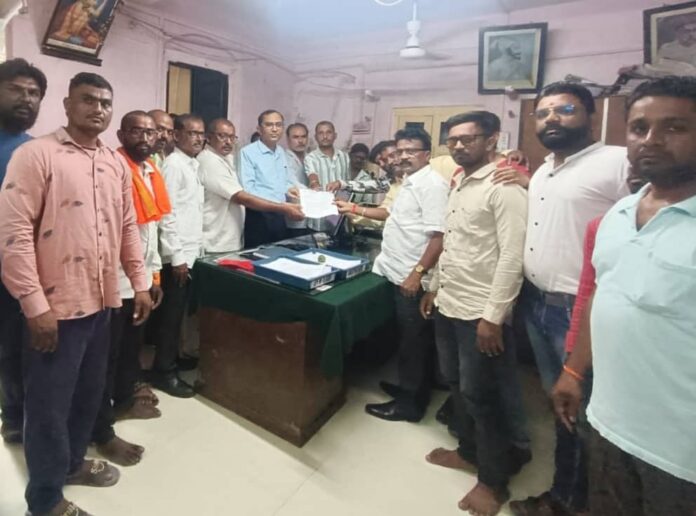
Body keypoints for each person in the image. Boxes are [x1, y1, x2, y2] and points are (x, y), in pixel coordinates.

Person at [0, 72, 151, 516]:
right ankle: (45, 501)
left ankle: (69, 465)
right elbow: (13, 236)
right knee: (47, 407)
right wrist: (34, 306)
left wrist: (140, 282)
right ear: (67, 105)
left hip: (102, 304)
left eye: (105, 102)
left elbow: (127, 227)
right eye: (88, 100)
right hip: (55, 310)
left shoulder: (113, 163)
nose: (98, 109)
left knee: (87, 394)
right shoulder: (36, 155)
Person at [552, 75, 696, 516]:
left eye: (674, 127)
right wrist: (574, 370)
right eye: (639, 128)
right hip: (609, 423)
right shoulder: (619, 213)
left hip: (680, 453)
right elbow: (603, 294)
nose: (651, 140)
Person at [510, 82, 630, 516]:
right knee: (558, 401)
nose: (551, 119)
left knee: (578, 410)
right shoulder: (545, 170)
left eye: (564, 109)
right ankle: (570, 494)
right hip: (536, 303)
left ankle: (568, 503)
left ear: (591, 115)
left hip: (579, 312)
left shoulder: (617, 161)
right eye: (542, 113)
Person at [420, 112, 529, 516]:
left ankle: (493, 481)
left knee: (483, 396)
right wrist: (434, 286)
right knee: (457, 384)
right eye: (453, 140)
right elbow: (454, 242)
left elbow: (512, 257)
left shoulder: (504, 186)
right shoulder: (460, 182)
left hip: (479, 313)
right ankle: (469, 452)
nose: (459, 146)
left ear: (492, 139)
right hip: (450, 302)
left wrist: (493, 317)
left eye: (468, 138)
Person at [337, 127, 448, 422]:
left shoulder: (432, 185)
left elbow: (439, 236)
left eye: (411, 151)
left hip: (411, 276)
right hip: (395, 269)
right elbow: (391, 215)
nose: (403, 156)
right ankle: (412, 388)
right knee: (410, 338)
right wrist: (354, 208)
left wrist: (417, 274)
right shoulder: (408, 181)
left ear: (426, 154)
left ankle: (410, 405)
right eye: (400, 151)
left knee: (414, 343)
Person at [91, 111, 180, 467]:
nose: (146, 138)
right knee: (105, 357)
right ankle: (100, 429)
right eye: (137, 131)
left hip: (139, 281)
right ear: (121, 134)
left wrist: (153, 277)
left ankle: (123, 402)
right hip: (114, 280)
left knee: (131, 348)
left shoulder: (150, 170)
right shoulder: (114, 168)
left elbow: (151, 228)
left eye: (151, 132)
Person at [0, 58, 47, 444]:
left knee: (19, 344)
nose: (26, 98)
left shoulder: (35, 151)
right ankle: (13, 412)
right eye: (16, 89)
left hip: (24, 268)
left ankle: (21, 413)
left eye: (34, 93)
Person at [146, 113, 205, 398]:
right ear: (177, 135)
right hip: (176, 257)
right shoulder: (173, 165)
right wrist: (177, 256)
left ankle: (172, 360)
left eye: (201, 134)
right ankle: (164, 372)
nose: (198, 138)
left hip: (190, 252)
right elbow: (165, 214)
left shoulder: (193, 164)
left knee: (178, 315)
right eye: (192, 133)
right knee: (170, 318)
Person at [198, 118, 303, 253]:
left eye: (232, 137)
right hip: (216, 242)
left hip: (231, 237)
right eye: (222, 136)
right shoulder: (209, 161)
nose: (228, 141)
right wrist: (283, 208)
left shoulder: (228, 158)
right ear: (208, 137)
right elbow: (241, 197)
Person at [239, 110, 298, 248]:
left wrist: (290, 190)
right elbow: (248, 190)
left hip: (280, 214)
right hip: (258, 215)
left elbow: (285, 181)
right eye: (269, 125)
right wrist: (279, 204)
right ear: (259, 129)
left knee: (279, 254)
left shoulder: (281, 152)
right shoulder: (247, 152)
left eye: (278, 125)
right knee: (257, 257)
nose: (274, 129)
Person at [305, 120, 350, 192]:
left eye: (329, 132)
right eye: (320, 133)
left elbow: (349, 182)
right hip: (321, 198)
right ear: (315, 137)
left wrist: (342, 194)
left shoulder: (345, 157)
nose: (325, 136)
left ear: (335, 135)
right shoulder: (310, 158)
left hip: (343, 198)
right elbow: (312, 175)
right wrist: (315, 184)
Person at [284, 122, 310, 236]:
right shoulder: (283, 158)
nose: (300, 141)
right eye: (295, 137)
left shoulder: (310, 158)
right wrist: (315, 193)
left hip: (312, 217)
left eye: (303, 136)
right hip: (293, 216)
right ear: (288, 139)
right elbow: (292, 183)